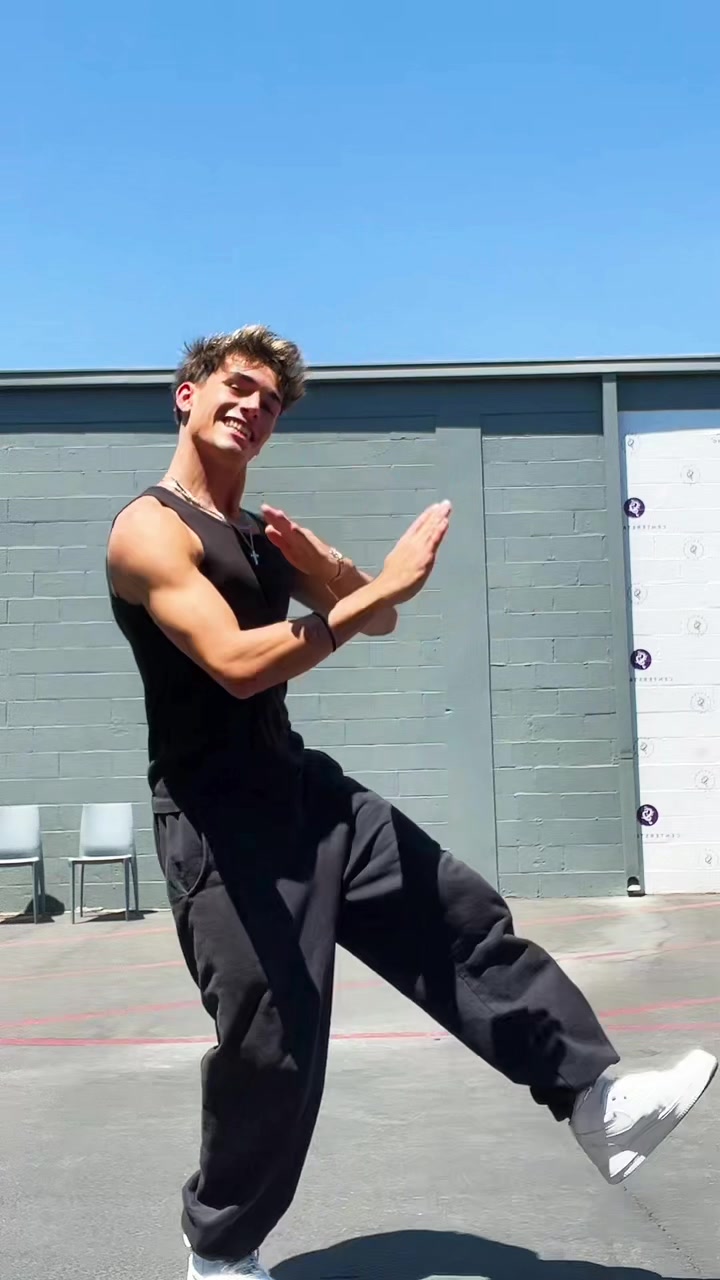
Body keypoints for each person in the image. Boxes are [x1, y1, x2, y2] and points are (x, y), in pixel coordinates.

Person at [107, 326, 716, 1280]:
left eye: (270, 402)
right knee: (272, 1043)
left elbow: (380, 614)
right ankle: (219, 1249)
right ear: (187, 394)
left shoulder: (261, 534)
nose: (253, 408)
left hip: (302, 790)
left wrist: (333, 567)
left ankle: (597, 1101)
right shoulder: (149, 530)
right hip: (219, 823)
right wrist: (366, 595)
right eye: (238, 386)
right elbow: (234, 663)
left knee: (457, 915)